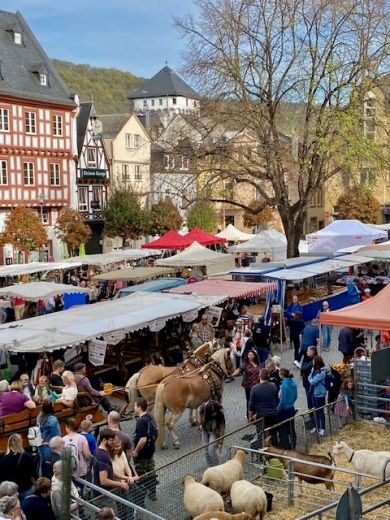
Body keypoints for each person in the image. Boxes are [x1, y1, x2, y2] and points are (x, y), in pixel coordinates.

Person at [133, 398, 157, 502]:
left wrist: (136, 451)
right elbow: (156, 432)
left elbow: (142, 439)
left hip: (142, 454)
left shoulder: (141, 421)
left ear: (139, 407)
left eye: (134, 406)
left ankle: (142, 495)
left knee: (142, 473)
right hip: (150, 451)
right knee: (151, 472)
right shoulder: (151, 417)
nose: (134, 408)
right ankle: (153, 494)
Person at [0, 434, 37, 501]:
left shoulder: (3, 459)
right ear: (20, 443)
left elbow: (2, 477)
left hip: (12, 492)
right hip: (26, 488)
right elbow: (33, 474)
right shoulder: (27, 457)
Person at [248, 369, 279, 447]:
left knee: (261, 435)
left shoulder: (254, 388)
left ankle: (263, 452)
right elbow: (276, 400)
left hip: (261, 416)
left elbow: (251, 405)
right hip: (273, 415)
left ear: (259, 376)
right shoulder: (273, 385)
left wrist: (250, 417)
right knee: (273, 434)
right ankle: (275, 450)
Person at [93, 428, 128, 492]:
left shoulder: (97, 451)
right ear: (104, 440)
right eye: (111, 440)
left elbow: (109, 471)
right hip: (104, 494)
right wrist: (121, 484)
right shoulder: (103, 456)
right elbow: (103, 481)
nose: (113, 442)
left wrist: (126, 478)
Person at [231, 350, 260, 418]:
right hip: (248, 386)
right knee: (249, 400)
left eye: (251, 355)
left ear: (255, 356)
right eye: (249, 355)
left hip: (257, 385)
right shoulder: (245, 364)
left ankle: (256, 414)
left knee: (257, 399)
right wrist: (233, 374)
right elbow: (239, 370)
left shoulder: (258, 363)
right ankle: (249, 415)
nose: (250, 356)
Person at [197, 400, 226, 467]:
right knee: (206, 450)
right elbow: (199, 410)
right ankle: (210, 467)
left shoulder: (220, 413)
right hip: (205, 430)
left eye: (215, 413)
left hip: (214, 432)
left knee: (211, 450)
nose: (214, 414)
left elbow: (222, 428)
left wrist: (220, 443)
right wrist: (200, 423)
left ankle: (217, 468)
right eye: (212, 413)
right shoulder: (204, 407)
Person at [277, 369, 297, 449]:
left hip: (284, 411)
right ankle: (293, 445)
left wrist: (278, 409)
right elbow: (295, 396)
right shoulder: (293, 383)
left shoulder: (284, 385)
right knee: (292, 428)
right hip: (291, 408)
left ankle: (286, 447)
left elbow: (283, 400)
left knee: (283, 429)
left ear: (281, 375)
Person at [37, 402, 60, 467]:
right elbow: (55, 436)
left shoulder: (39, 417)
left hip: (40, 445)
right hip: (49, 447)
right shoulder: (53, 420)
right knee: (51, 467)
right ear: (51, 408)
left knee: (43, 466)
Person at [308, 355, 327, 436]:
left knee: (320, 411)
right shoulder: (314, 370)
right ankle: (317, 426)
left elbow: (312, 381)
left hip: (319, 394)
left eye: (313, 361)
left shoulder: (321, 373)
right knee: (315, 410)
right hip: (313, 393)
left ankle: (322, 428)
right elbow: (310, 378)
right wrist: (310, 379)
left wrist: (310, 379)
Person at [300, 346, 318, 428]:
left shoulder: (314, 361)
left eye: (308, 351)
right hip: (307, 384)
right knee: (309, 403)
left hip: (310, 385)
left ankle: (314, 421)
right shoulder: (308, 359)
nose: (307, 352)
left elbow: (303, 369)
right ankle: (312, 419)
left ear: (312, 352)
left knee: (311, 402)